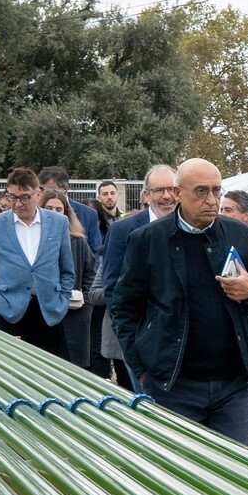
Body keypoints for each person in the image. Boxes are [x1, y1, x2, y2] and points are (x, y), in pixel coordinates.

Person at [110, 159, 248, 445]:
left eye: (216, 190)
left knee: (235, 466)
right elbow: (125, 308)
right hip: (173, 385)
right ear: (178, 193)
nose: (212, 200)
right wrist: (142, 370)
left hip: (234, 386)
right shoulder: (148, 239)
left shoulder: (241, 234)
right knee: (178, 466)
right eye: (201, 191)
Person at [0, 167, 77, 356]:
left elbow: (67, 269)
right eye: (12, 197)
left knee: (47, 369)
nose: (17, 203)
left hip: (48, 312)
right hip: (7, 310)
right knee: (7, 368)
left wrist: (62, 299)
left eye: (24, 197)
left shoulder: (59, 222)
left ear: (38, 195)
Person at [101, 165, 179, 387]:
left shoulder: (192, 227)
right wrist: (132, 338)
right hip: (141, 342)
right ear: (146, 195)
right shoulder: (122, 230)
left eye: (171, 189)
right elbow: (112, 288)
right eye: (159, 190)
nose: (166, 196)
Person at [43, 194, 100, 367]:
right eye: (49, 208)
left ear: (66, 213)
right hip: (41, 316)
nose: (54, 213)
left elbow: (91, 274)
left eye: (59, 209)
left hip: (74, 314)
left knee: (73, 366)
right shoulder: (31, 242)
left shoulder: (78, 242)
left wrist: (86, 303)